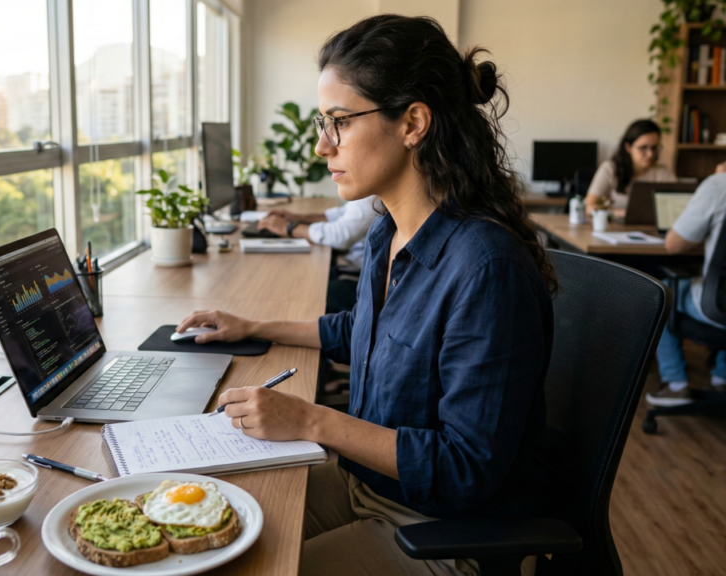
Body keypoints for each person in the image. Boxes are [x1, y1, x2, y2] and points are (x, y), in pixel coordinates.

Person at [176, 15, 555, 576]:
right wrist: (252, 326)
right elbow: (361, 328)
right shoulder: (389, 230)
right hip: (366, 486)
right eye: (321, 123)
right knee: (194, 536)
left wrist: (311, 422)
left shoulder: (485, 268)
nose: (322, 145)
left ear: (413, 123)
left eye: (340, 122)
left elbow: (464, 465)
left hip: (439, 529)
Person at [650, 166, 726, 406]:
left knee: (663, 292)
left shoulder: (719, 185)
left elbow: (674, 245)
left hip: (719, 309)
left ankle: (676, 384)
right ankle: (721, 378)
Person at [258, 197, 378, 313]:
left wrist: (288, 228)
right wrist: (298, 218)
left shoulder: (374, 198)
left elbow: (340, 236)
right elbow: (341, 214)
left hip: (365, 286)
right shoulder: (368, 197)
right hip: (358, 272)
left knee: (295, 293)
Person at [584, 119, 675, 212]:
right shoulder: (610, 168)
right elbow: (589, 206)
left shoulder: (663, 173)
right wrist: (625, 214)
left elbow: (677, 205)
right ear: (628, 147)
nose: (650, 154)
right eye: (643, 148)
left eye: (654, 148)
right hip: (617, 225)